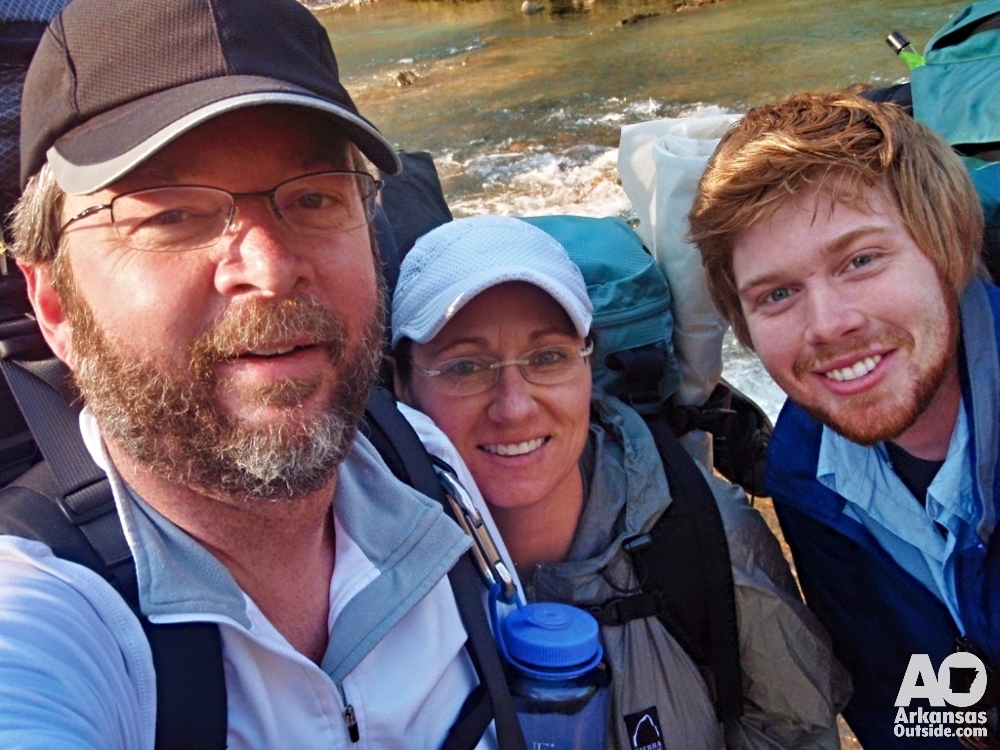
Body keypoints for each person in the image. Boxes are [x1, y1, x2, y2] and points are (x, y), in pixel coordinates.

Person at [0, 0, 507, 747]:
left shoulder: (427, 469)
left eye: (313, 197)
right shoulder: (42, 619)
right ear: (54, 304)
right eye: (172, 214)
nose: (269, 269)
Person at [390, 214, 851, 749]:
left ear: (588, 366)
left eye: (548, 357)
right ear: (401, 382)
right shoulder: (354, 564)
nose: (514, 407)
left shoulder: (703, 534)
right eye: (466, 367)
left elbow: (791, 732)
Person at [688, 91, 1000, 748]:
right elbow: (902, 702)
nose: (830, 325)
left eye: (860, 260)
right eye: (777, 294)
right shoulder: (809, 472)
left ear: (947, 247)